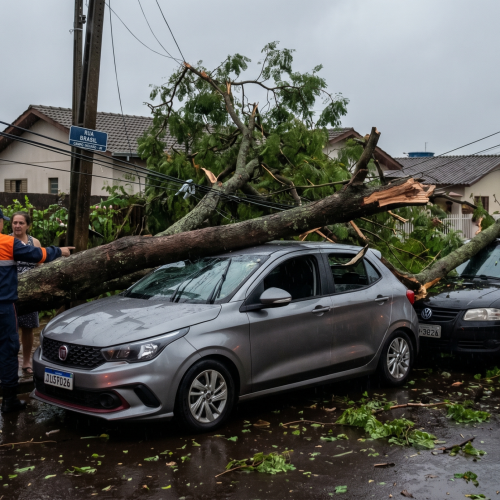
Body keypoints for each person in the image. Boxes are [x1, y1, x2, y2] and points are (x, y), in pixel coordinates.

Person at [0, 208, 74, 413]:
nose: (12, 225)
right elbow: (37, 255)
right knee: (7, 349)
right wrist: (61, 251)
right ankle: (9, 400)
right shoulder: (6, 243)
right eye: (7, 221)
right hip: (4, 307)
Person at [10, 212, 41, 375]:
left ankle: (26, 362)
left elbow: (39, 266)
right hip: (10, 292)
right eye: (15, 222)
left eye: (21, 223)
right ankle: (10, 362)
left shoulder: (34, 242)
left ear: (27, 225)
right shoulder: (6, 241)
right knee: (10, 330)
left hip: (31, 293)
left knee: (28, 329)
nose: (17, 226)